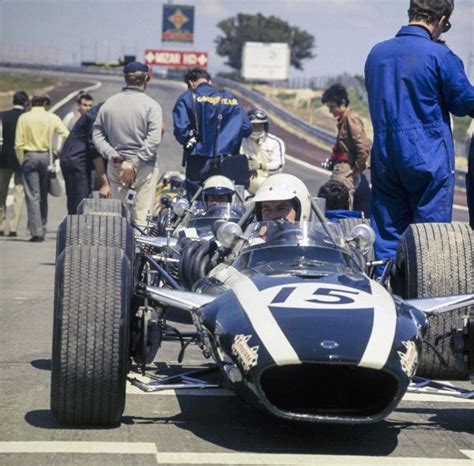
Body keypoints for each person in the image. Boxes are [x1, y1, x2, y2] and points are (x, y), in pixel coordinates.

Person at [365, 0, 474, 264]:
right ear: (441, 20)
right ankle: (424, 302)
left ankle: (386, 289)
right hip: (427, 155)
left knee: (387, 236)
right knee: (430, 240)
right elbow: (463, 104)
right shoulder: (439, 56)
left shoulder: (376, 53)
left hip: (384, 155)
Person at [93, 61, 162, 224]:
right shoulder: (152, 106)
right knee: (142, 215)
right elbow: (154, 139)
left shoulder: (108, 104)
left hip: (117, 165)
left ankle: (119, 248)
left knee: (119, 214)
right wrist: (135, 163)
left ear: (125, 79)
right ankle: (140, 248)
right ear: (147, 78)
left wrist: (112, 154)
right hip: (145, 167)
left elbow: (97, 134)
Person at [172, 67, 252, 198]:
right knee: (228, 200)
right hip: (228, 160)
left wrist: (193, 141)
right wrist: (228, 142)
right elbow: (246, 128)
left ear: (191, 83)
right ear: (209, 81)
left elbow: (181, 130)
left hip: (198, 160)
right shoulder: (229, 98)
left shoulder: (187, 97)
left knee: (196, 202)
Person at [15, 92, 69, 241]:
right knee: (44, 194)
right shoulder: (51, 117)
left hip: (30, 155)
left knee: (33, 196)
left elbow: (18, 144)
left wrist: (22, 161)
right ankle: (42, 227)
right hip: (46, 156)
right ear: (45, 102)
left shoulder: (24, 118)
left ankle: (36, 231)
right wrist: (58, 151)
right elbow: (66, 134)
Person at [321, 84, 371, 209]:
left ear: (342, 103)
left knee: (340, 204)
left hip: (346, 168)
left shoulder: (350, 118)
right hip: (342, 167)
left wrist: (356, 169)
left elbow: (363, 147)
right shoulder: (343, 120)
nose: (330, 111)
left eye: (332, 107)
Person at [60, 102, 109, 214]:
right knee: (79, 205)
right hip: (76, 160)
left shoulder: (103, 112)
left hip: (85, 161)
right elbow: (95, 147)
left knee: (88, 202)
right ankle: (76, 230)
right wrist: (104, 181)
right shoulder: (96, 116)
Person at [0, 90, 29, 237]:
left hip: (3, 158)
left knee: (2, 192)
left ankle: (0, 223)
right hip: (20, 158)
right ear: (26, 103)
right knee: (19, 193)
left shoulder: (3, 116)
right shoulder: (26, 118)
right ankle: (13, 227)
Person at [240, 109, 285, 195]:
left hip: (270, 183)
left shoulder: (275, 142)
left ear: (265, 126)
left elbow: (279, 166)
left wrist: (261, 166)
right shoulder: (242, 141)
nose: (256, 129)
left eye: (259, 125)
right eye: (254, 125)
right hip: (248, 183)